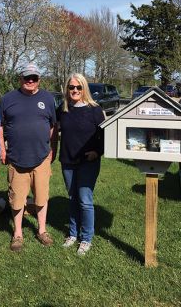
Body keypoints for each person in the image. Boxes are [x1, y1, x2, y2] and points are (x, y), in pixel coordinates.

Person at [0, 63, 57, 252]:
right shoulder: (8, 99)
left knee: (41, 198)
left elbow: (53, 127)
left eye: (34, 78)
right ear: (20, 78)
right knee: (16, 200)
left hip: (41, 158)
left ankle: (42, 230)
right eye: (27, 77)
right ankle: (17, 234)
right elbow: (0, 127)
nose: (30, 81)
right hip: (16, 159)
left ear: (39, 79)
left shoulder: (48, 99)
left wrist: (53, 149)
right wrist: (2, 149)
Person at [57, 73, 104, 255]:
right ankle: (73, 234)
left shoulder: (94, 109)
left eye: (79, 87)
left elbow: (106, 135)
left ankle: (86, 239)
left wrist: (97, 152)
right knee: (72, 198)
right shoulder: (63, 109)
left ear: (84, 88)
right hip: (67, 161)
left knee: (85, 201)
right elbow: (51, 127)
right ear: (67, 89)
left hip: (88, 162)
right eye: (71, 87)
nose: (75, 90)